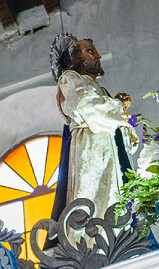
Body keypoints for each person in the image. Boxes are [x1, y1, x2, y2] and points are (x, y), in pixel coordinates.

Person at [49, 34, 135, 225]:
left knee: (117, 201)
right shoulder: (70, 79)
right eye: (89, 51)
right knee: (96, 203)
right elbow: (89, 108)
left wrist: (115, 106)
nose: (98, 55)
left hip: (107, 151)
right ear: (74, 58)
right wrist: (117, 105)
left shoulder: (95, 86)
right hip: (91, 149)